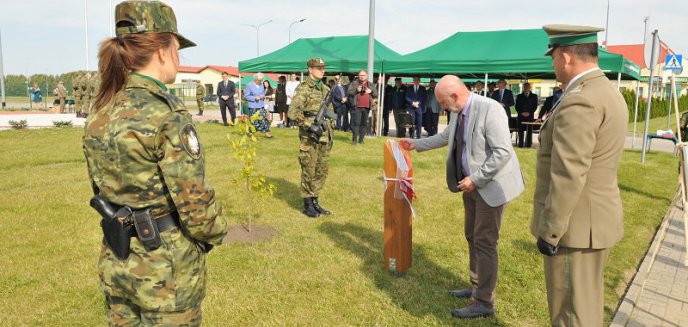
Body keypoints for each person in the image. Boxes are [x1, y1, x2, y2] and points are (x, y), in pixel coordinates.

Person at [82, 1, 228, 325]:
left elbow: (102, 187)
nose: (178, 55)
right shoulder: (166, 114)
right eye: (177, 47)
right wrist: (215, 233)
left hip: (118, 260)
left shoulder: (102, 109)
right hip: (166, 275)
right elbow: (196, 207)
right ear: (162, 50)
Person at [402, 75, 524, 319]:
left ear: (455, 96)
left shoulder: (491, 110)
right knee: (472, 236)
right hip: (470, 186)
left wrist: (476, 179)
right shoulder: (459, 110)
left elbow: (502, 153)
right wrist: (416, 144)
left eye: (443, 103)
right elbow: (448, 137)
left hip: (490, 185)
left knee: (485, 242)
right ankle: (476, 285)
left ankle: (484, 302)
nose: (443, 108)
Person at [532, 24, 627, 327]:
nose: (554, 66)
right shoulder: (604, 92)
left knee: (571, 314)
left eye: (553, 58)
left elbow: (569, 173)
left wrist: (551, 230)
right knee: (585, 308)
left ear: (565, 56)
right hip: (593, 221)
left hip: (574, 227)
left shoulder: (580, 99)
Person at [288, 58, 334, 218]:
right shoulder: (304, 89)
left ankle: (315, 201)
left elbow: (331, 110)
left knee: (321, 170)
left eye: (323, 68)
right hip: (310, 137)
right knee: (309, 169)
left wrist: (330, 126)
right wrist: (309, 125)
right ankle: (307, 204)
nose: (322, 70)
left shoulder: (326, 88)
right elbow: (293, 113)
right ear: (310, 70)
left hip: (325, 136)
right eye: (319, 68)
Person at [347, 69, 378, 144]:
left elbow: (376, 94)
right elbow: (349, 92)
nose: (362, 77)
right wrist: (356, 90)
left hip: (367, 106)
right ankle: (354, 140)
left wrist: (371, 91)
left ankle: (361, 140)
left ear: (366, 76)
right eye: (360, 75)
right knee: (356, 123)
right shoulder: (354, 83)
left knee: (364, 124)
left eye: (363, 75)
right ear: (358, 76)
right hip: (357, 106)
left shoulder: (370, 84)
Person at [244, 73, 272, 138]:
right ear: (255, 79)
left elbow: (262, 93)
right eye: (259, 80)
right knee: (254, 120)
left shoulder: (261, 85)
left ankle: (267, 133)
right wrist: (254, 98)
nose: (260, 81)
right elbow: (246, 96)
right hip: (253, 106)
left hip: (261, 105)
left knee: (264, 119)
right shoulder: (249, 85)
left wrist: (261, 96)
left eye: (261, 80)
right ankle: (253, 134)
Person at [515, 82, 539, 148]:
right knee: (520, 131)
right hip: (521, 116)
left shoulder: (534, 96)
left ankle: (528, 145)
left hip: (530, 116)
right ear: (523, 87)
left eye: (527, 86)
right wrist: (521, 112)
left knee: (529, 131)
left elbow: (535, 106)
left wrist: (529, 113)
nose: (526, 88)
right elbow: (517, 106)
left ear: (530, 88)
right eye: (525, 86)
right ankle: (520, 144)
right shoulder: (519, 96)